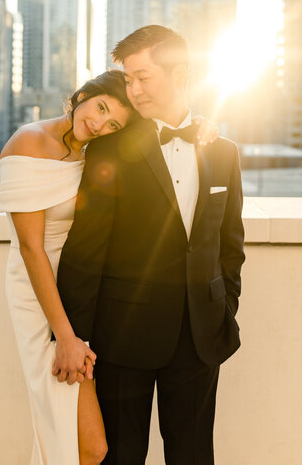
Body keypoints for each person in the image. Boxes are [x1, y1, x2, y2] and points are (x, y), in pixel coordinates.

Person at [0, 69, 218, 465]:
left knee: (79, 438)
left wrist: (198, 124)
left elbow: (156, 146)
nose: (98, 123)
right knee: (88, 443)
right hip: (42, 295)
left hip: (82, 294)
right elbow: (30, 248)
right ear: (81, 94)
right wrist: (65, 335)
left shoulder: (97, 148)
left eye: (113, 122)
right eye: (99, 107)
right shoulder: (28, 141)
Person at [57, 26, 245, 465]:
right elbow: (86, 250)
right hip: (122, 339)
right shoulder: (110, 148)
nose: (134, 90)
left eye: (143, 77)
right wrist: (74, 338)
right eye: (127, 79)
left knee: (195, 455)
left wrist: (224, 306)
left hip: (200, 336)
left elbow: (230, 245)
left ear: (179, 74)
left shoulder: (223, 151)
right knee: (120, 457)